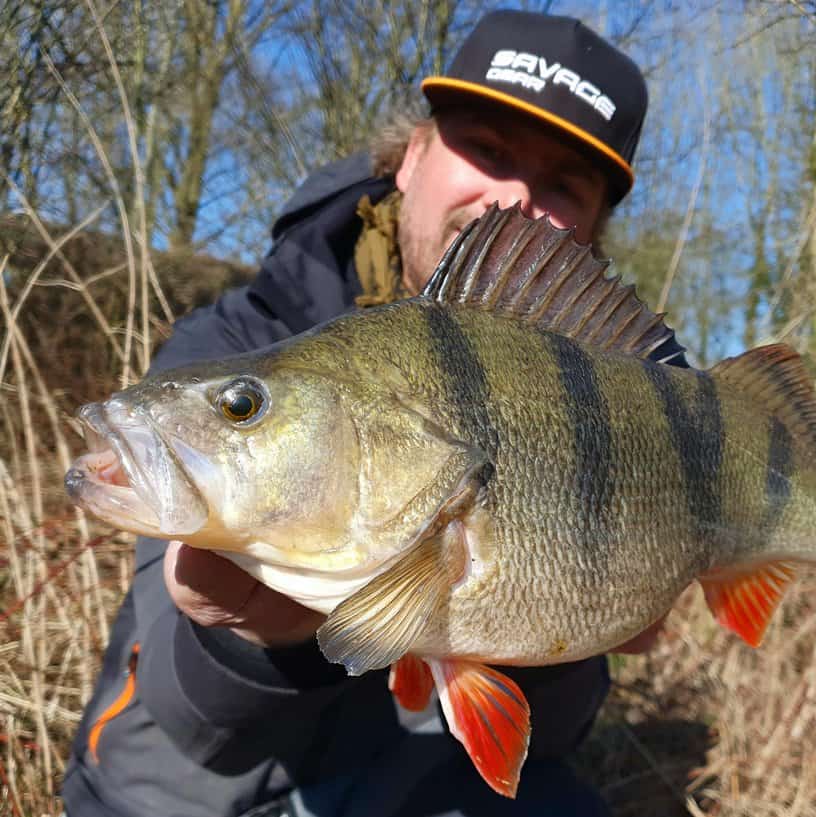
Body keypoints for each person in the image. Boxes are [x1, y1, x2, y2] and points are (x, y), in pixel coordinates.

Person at [61, 10, 688, 817]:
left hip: (426, 783)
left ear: (594, 229)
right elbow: (197, 717)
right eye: (486, 148)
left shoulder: (626, 404)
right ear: (410, 156)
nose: (512, 197)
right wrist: (249, 637)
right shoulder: (236, 340)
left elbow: (554, 734)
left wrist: (579, 630)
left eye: (564, 184)